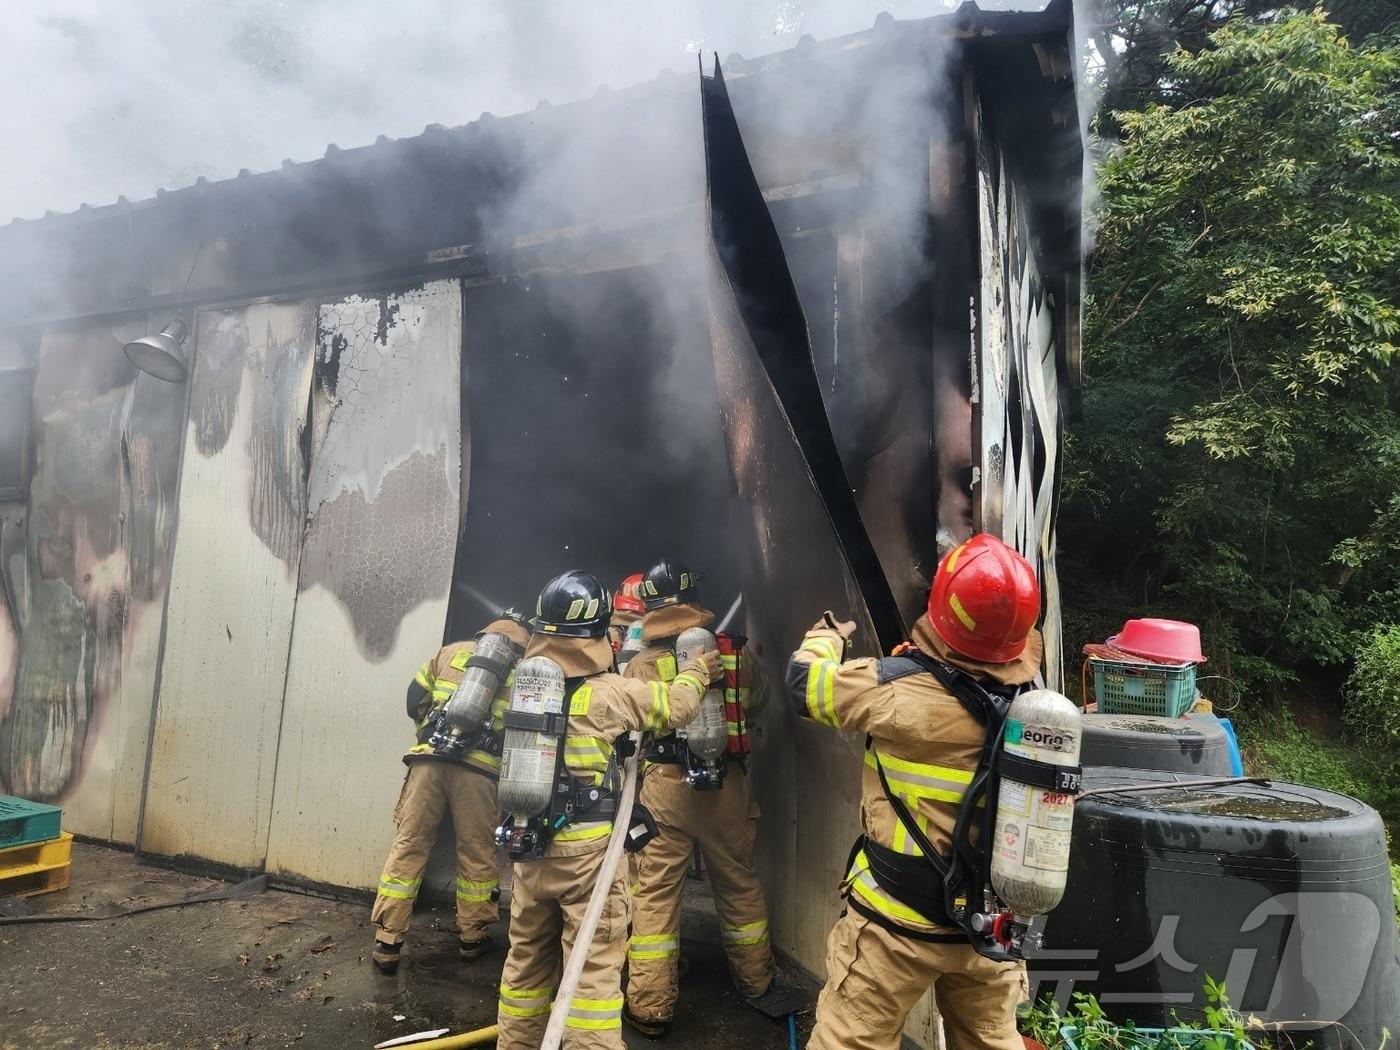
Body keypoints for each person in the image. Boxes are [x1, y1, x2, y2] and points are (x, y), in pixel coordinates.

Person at [786, 534, 1042, 1050]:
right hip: (989, 931)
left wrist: (827, 636)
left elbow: (803, 685)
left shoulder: (897, 690)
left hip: (896, 925)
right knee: (992, 1041)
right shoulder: (1037, 709)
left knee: (849, 1041)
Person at [495, 570, 722, 1050]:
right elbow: (679, 707)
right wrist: (699, 670)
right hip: (589, 860)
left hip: (530, 847)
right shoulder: (611, 694)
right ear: (597, 632)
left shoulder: (525, 684)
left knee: (525, 967)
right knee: (593, 972)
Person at [622, 559, 775, 1038]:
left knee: (655, 894)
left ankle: (649, 1006)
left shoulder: (642, 662)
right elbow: (759, 700)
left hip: (665, 789)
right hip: (726, 788)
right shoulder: (733, 652)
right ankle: (756, 982)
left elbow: (632, 727)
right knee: (739, 885)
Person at [370, 610, 532, 974]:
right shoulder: (525, 674)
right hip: (479, 773)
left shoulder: (449, 653)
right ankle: (472, 938)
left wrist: (428, 733)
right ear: (523, 641)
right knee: (476, 852)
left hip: (429, 762)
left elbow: (414, 700)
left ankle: (388, 940)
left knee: (409, 845)